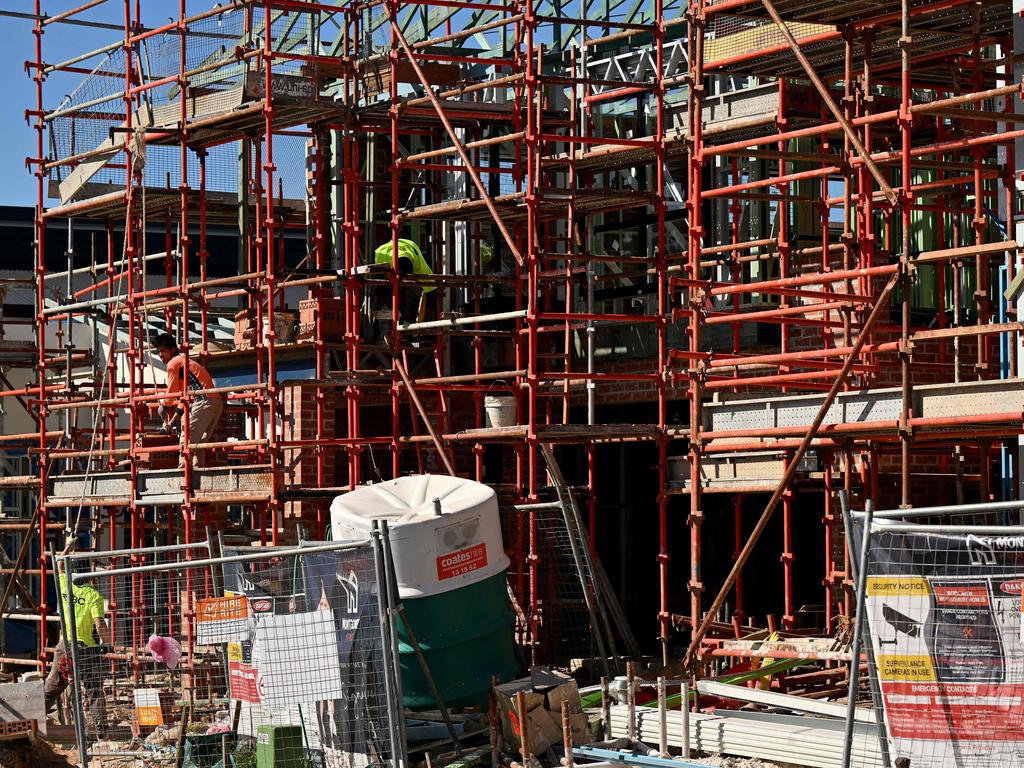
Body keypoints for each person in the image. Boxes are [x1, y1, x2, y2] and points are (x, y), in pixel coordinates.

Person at [44, 543, 110, 737]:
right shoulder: (93, 596)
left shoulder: (65, 585)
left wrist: (67, 548)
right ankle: (101, 732)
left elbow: (59, 565)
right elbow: (99, 625)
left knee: (53, 686)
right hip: (87, 648)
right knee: (95, 690)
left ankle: (33, 719)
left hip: (65, 645)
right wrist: (108, 642)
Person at [150, 333, 223, 468]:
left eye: (162, 350)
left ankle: (183, 472)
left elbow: (171, 393)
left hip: (203, 400)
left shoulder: (174, 363)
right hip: (214, 401)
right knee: (198, 443)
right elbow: (184, 399)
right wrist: (171, 422)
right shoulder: (184, 362)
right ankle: (196, 469)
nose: (160, 354)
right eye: (158, 351)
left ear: (172, 350)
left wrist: (164, 406)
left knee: (187, 439)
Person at [373, 237, 434, 325]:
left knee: (413, 288)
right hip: (389, 266)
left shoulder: (419, 265)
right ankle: (384, 318)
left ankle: (409, 321)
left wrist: (429, 305)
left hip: (410, 250)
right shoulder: (381, 255)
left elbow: (430, 287)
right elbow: (377, 283)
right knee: (384, 288)